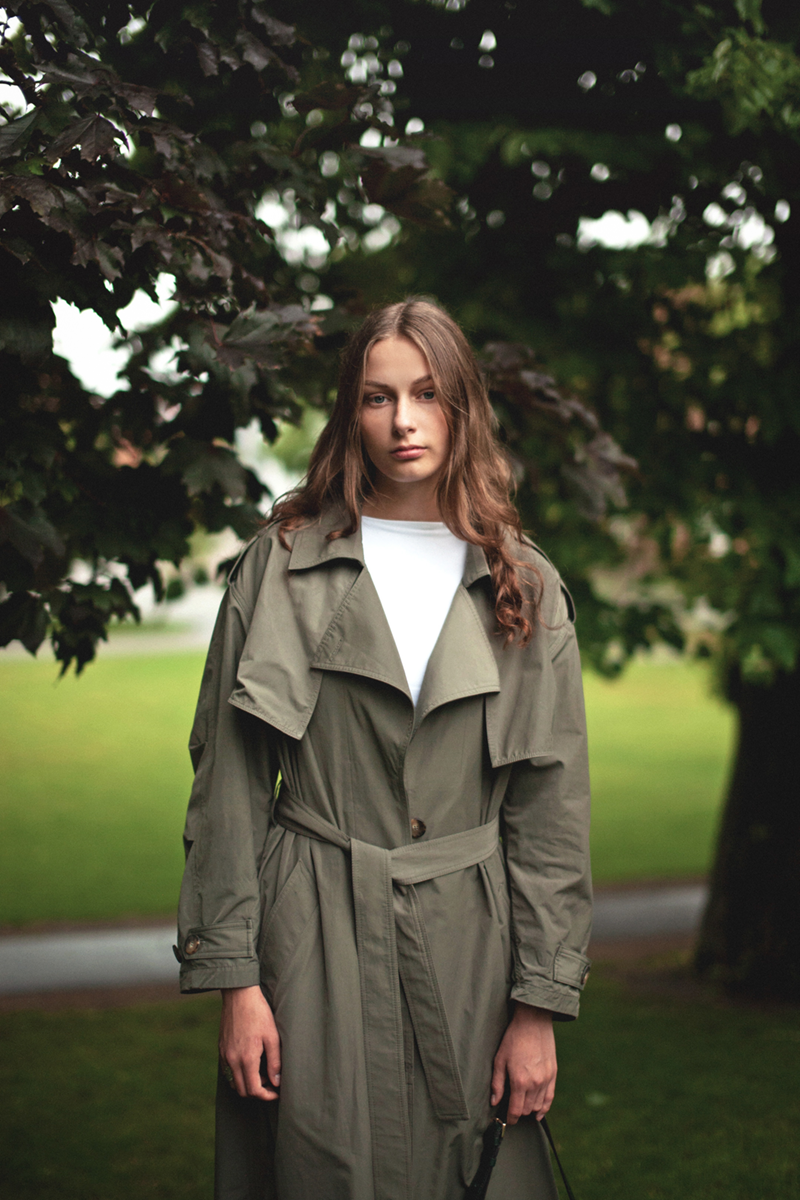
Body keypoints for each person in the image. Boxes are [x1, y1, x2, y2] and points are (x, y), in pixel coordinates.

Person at [175, 298, 592, 1200]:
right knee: (318, 1168)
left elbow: (549, 808)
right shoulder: (277, 567)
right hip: (309, 935)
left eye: (427, 394)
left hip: (473, 947)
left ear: (463, 407)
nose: (403, 421)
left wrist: (539, 1008)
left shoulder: (525, 585)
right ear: (349, 412)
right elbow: (231, 786)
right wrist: (235, 982)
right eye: (376, 397)